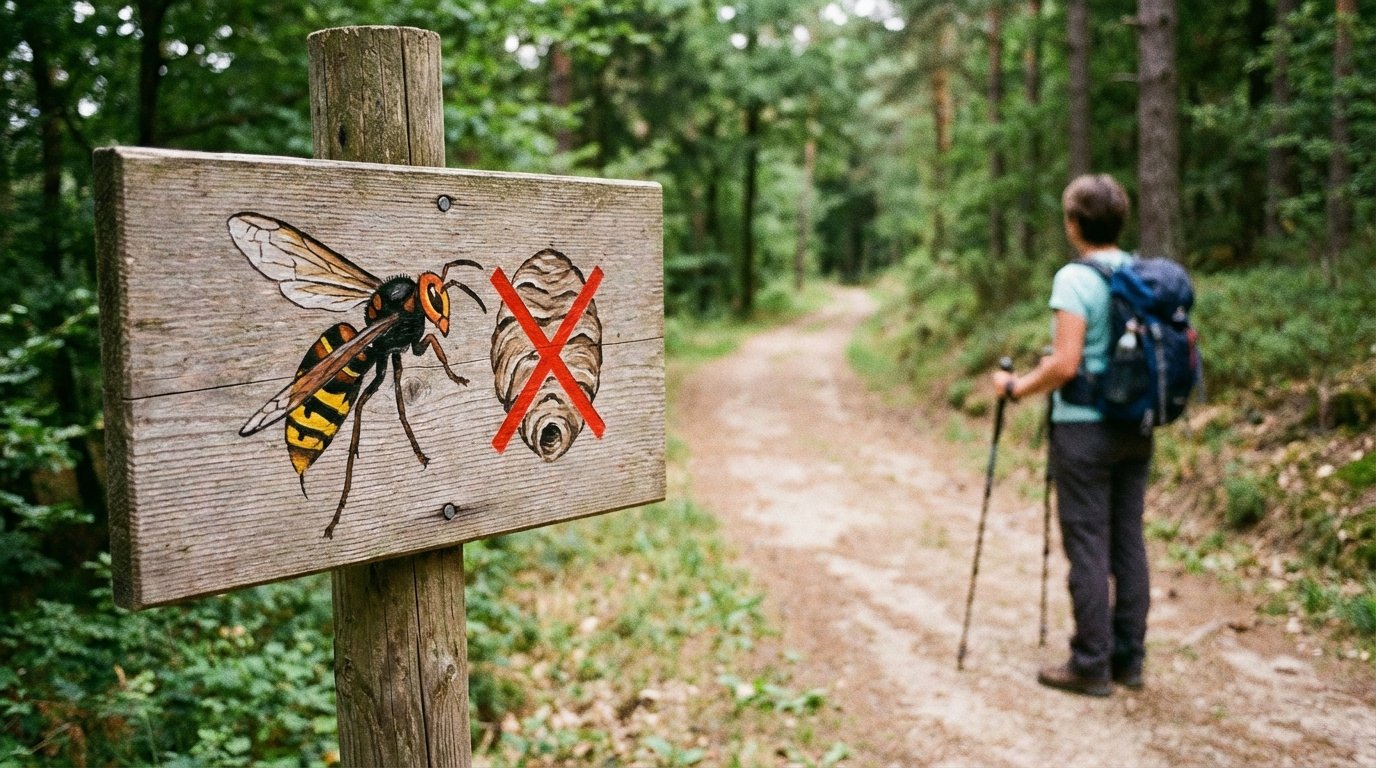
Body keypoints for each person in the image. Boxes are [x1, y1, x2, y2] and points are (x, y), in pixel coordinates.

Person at [990, 173, 1152, 697]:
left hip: (1084, 431)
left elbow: (1065, 364)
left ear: (1075, 224)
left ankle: (1090, 663)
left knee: (1087, 542)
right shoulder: (1138, 271)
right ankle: (1128, 658)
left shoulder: (1074, 279)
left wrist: (1016, 388)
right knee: (1127, 539)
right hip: (1135, 426)